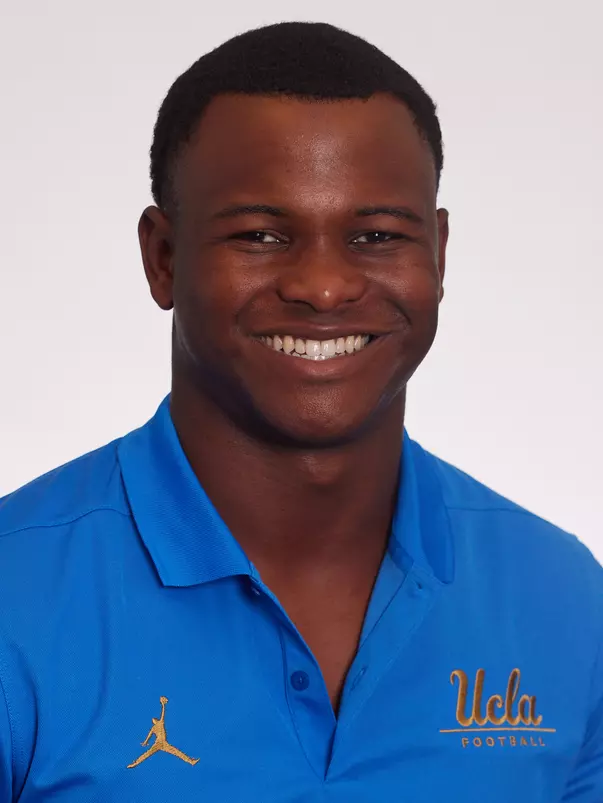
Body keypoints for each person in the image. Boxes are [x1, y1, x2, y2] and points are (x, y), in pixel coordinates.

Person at [0, 20, 601, 803]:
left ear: (440, 255)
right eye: (260, 234)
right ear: (163, 258)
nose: (322, 285)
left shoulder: (562, 597)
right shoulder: (16, 595)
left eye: (376, 234)